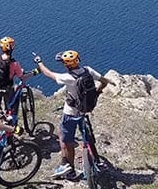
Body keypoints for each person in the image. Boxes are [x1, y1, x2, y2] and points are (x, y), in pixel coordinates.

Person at [33, 50, 111, 180]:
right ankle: (97, 160)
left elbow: (48, 73)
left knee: (65, 139)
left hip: (70, 113)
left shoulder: (67, 78)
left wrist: (39, 62)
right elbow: (104, 81)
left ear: (67, 65)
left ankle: (70, 170)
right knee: (87, 135)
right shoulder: (88, 70)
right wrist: (97, 91)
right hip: (85, 109)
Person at [0, 36, 35, 112]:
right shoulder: (14, 64)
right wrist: (34, 73)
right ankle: (10, 122)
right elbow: (22, 77)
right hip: (7, 89)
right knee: (10, 109)